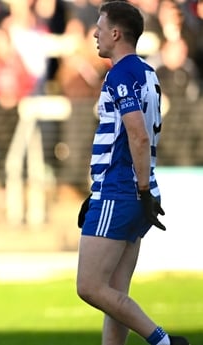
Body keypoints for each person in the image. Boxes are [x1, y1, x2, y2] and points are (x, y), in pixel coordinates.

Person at [76, 2, 189, 345]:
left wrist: (139, 190)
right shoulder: (148, 73)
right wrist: (144, 191)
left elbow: (137, 134)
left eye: (99, 26)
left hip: (122, 190)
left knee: (90, 287)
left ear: (115, 33)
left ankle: (163, 341)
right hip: (134, 190)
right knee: (115, 295)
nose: (94, 33)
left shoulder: (121, 74)